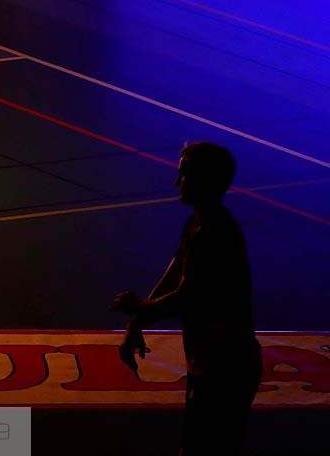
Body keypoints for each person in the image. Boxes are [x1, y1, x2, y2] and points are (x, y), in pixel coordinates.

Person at [112, 141, 262, 455]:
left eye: (184, 175)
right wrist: (137, 322)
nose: (177, 182)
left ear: (207, 181)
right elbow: (174, 271)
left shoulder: (214, 233)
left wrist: (138, 307)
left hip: (225, 368)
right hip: (211, 362)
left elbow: (185, 297)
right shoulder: (197, 222)